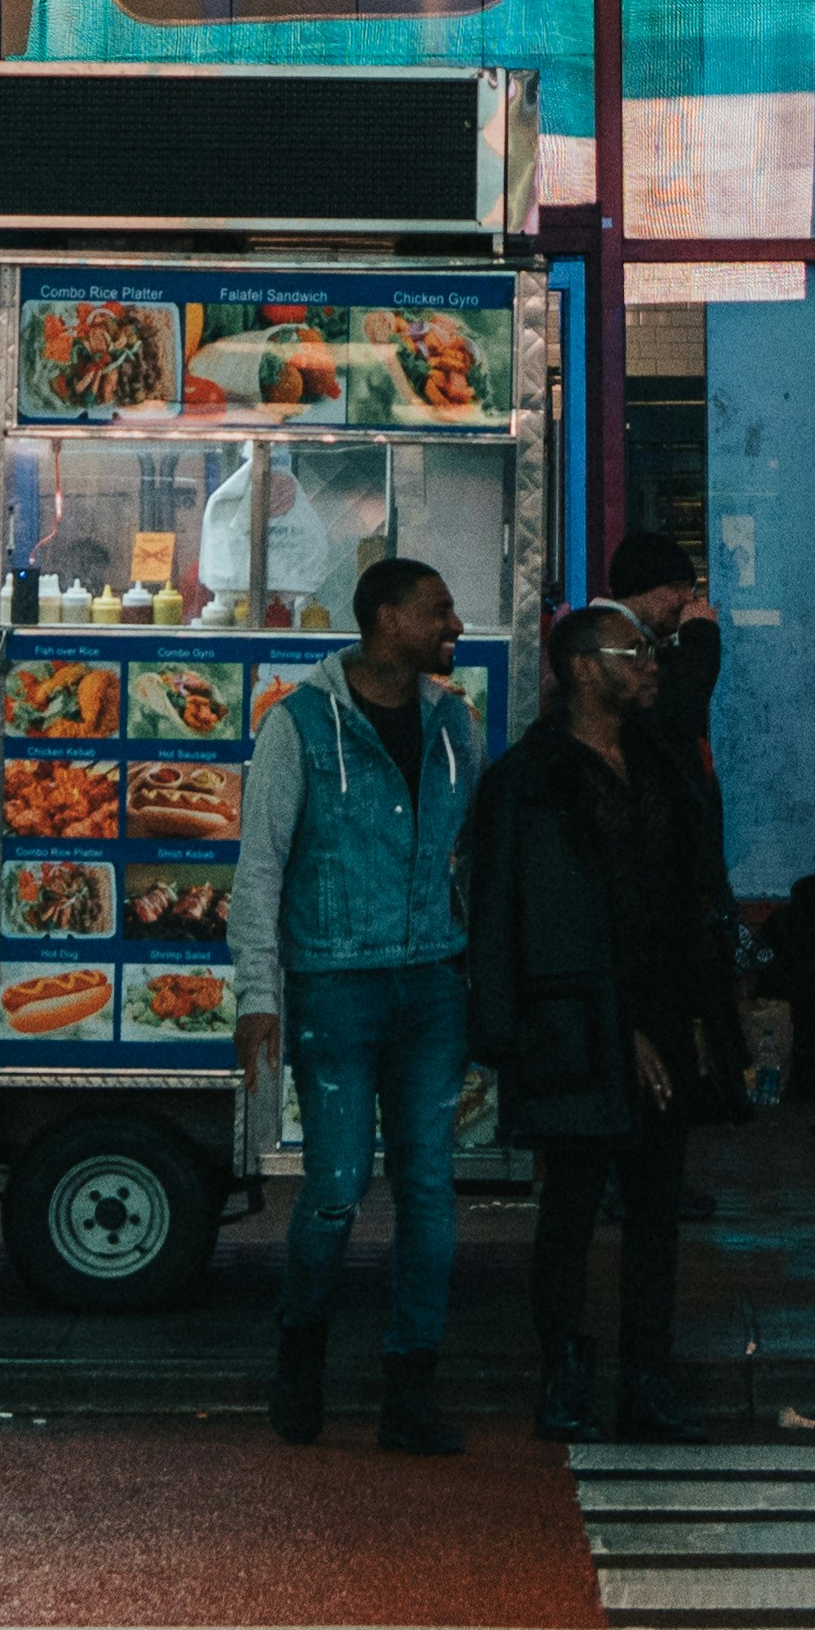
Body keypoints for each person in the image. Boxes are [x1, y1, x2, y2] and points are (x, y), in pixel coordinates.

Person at [231, 554, 491, 1453]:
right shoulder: (298, 725)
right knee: (336, 1187)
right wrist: (259, 994)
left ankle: (407, 1389)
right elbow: (258, 866)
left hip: (432, 983)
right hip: (334, 983)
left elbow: (470, 861)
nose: (453, 625)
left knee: (428, 1187)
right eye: (439, 609)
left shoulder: (457, 722)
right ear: (385, 618)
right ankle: (298, 1365)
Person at [467, 603, 744, 1440]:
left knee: (657, 1207)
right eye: (638, 651)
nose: (653, 664)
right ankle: (565, 1374)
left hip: (661, 1000)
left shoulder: (661, 763)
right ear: (583, 666)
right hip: (572, 1018)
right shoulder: (530, 777)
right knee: (573, 1203)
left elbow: (695, 891)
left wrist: (704, 1009)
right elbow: (511, 917)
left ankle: (648, 1380)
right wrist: (517, 1031)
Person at [609, 527, 724, 841]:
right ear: (642, 588)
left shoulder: (644, 642)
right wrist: (700, 633)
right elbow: (681, 709)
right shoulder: (618, 646)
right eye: (677, 587)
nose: (688, 599)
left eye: (691, 587)